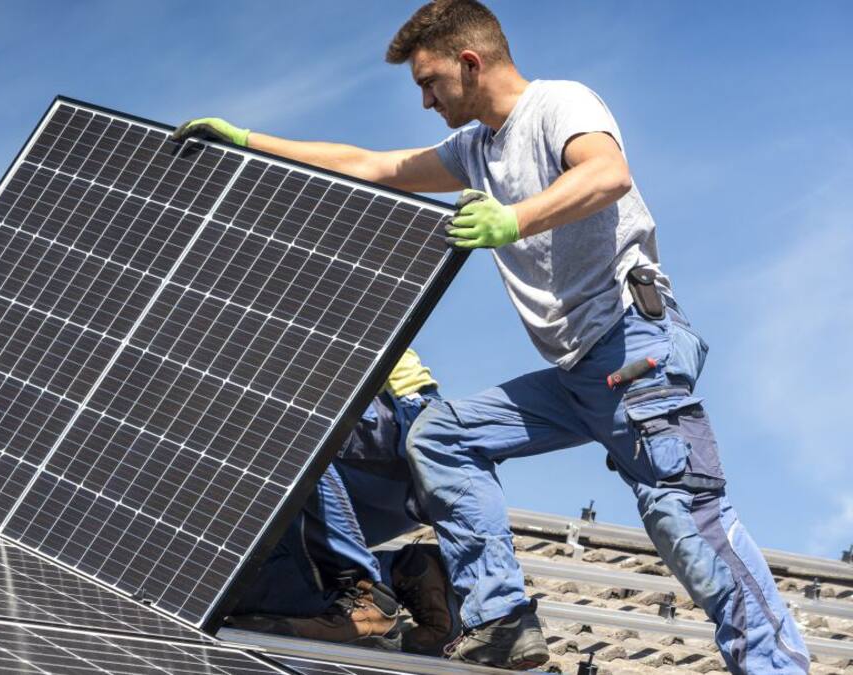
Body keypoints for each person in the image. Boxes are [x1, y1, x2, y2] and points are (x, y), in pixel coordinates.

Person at [172, 1, 810, 673]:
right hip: (573, 374)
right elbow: (373, 165)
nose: (424, 101)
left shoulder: (558, 105)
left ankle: (776, 667)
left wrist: (513, 221)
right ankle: (501, 619)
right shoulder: (477, 149)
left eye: (430, 83)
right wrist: (248, 141)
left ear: (469, 63)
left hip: (633, 354)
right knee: (442, 436)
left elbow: (606, 173)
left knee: (685, 525)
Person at [228, 349, 458, 656]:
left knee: (274, 421)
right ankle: (405, 572)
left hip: (394, 433)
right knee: (216, 584)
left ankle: (358, 589)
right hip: (334, 493)